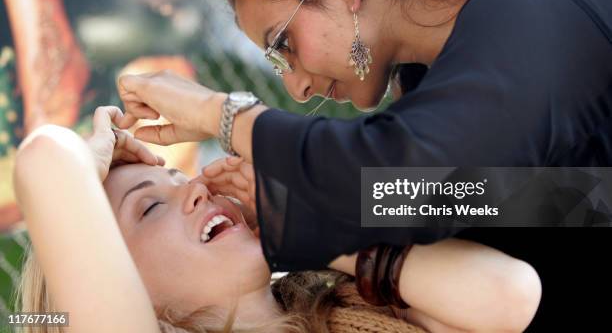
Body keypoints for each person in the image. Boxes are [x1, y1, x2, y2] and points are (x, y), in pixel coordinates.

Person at [113, 0, 612, 329]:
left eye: (282, 45)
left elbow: (414, 176)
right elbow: (553, 203)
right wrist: (294, 207)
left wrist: (219, 114)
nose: (296, 88)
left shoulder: (530, 9)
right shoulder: (428, 83)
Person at [13, 107, 541, 332]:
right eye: (149, 207)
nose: (197, 188)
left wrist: (310, 223)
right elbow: (46, 158)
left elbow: (511, 292)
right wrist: (96, 149)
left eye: (182, 180)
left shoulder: (351, 301)